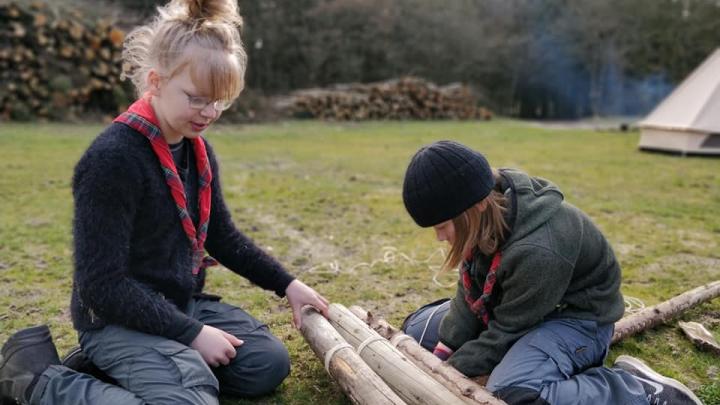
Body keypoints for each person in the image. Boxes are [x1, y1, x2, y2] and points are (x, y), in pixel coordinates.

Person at [0, 1, 329, 404]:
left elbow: (221, 236)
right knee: (191, 400)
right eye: (197, 99)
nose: (209, 113)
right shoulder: (111, 160)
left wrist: (288, 285)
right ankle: (36, 379)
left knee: (267, 364)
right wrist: (191, 335)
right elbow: (102, 286)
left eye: (219, 102)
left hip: (176, 305)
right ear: (155, 81)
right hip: (115, 319)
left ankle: (135, 367)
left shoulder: (198, 151)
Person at [400, 140, 703, 405]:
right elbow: (471, 293)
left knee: (513, 393)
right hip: (519, 309)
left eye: (442, 226)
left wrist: (445, 368)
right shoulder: (487, 210)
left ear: (476, 206)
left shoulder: (540, 249)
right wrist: (445, 347)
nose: (440, 237)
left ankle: (639, 392)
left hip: (576, 321)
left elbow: (507, 332)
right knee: (414, 332)